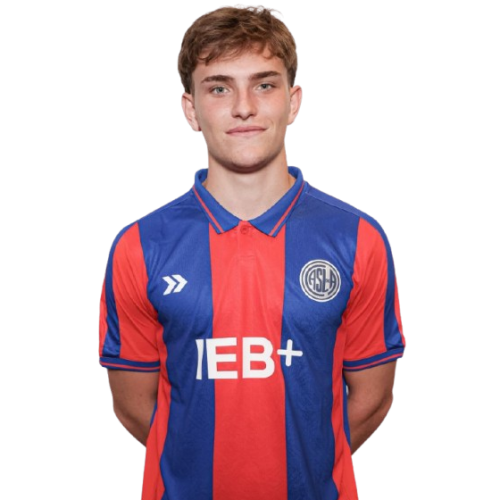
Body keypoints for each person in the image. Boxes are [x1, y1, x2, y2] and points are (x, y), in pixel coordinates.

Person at [97, 4, 406, 499]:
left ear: (294, 102)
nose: (244, 107)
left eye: (264, 85)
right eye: (219, 88)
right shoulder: (139, 245)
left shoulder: (358, 237)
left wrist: (302, 466)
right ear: (191, 110)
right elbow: (134, 408)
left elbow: (372, 398)